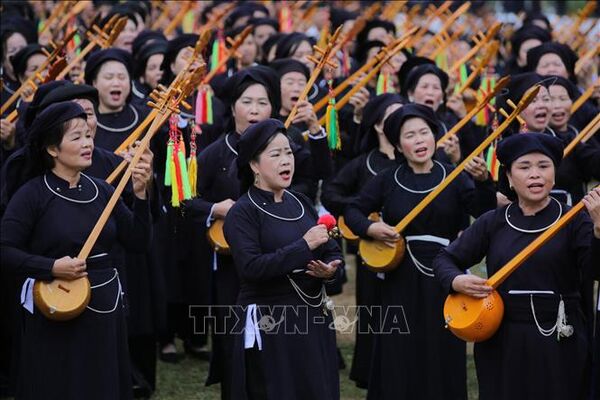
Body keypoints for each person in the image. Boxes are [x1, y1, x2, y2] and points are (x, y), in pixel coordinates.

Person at [0, 101, 153, 399]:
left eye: (88, 135)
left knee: (102, 383)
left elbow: (137, 241)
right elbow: (5, 249)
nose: (88, 143)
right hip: (56, 304)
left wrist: (141, 195)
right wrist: (50, 267)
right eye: (76, 137)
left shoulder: (102, 190)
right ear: (53, 149)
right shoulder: (33, 194)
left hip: (104, 305)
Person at [343, 104, 497, 399]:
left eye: (424, 132)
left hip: (443, 275)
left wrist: (483, 183)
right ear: (399, 144)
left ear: (435, 135)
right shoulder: (388, 179)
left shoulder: (452, 176)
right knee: (400, 346)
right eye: (410, 135)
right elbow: (353, 210)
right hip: (400, 274)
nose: (419, 141)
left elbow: (483, 210)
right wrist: (371, 229)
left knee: (441, 345)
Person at [433, 133, 600, 400]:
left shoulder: (575, 220)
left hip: (559, 338)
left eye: (543, 166)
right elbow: (445, 259)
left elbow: (595, 271)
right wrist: (456, 281)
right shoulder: (493, 222)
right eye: (524, 167)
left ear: (554, 174)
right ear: (509, 178)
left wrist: (599, 232)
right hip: (502, 340)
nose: (535, 174)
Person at [223, 118, 343, 399]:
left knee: (317, 388)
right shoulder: (243, 212)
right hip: (272, 320)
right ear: (254, 165)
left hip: (312, 315)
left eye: (288, 152)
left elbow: (329, 248)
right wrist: (303, 246)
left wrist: (331, 269)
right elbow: (251, 268)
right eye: (275, 154)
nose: (285, 160)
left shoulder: (299, 201)